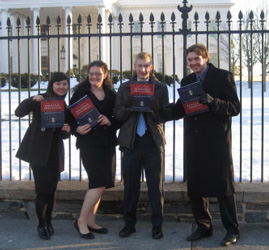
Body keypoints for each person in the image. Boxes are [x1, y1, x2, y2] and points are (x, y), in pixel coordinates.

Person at [163, 44, 241, 246]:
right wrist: (157, 112)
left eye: (196, 59)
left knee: (223, 186)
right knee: (196, 186)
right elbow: (181, 108)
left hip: (217, 140)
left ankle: (232, 229)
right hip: (195, 139)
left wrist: (213, 101)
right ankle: (204, 227)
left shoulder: (223, 77)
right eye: (189, 60)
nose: (193, 63)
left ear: (205, 58)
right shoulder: (187, 80)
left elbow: (235, 107)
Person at [114, 52, 169, 240]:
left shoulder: (161, 88)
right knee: (130, 187)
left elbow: (164, 117)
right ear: (135, 67)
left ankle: (157, 225)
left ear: (151, 67)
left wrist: (156, 109)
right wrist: (127, 106)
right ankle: (129, 224)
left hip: (152, 142)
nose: (143, 69)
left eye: (146, 66)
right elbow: (118, 117)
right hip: (131, 142)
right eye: (139, 66)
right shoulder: (125, 87)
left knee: (156, 186)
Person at [15, 72, 71, 240]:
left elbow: (64, 133)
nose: (61, 87)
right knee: (42, 190)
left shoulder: (64, 105)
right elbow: (19, 112)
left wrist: (67, 131)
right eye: (58, 84)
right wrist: (33, 99)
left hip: (54, 152)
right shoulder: (41, 100)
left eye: (64, 84)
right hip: (38, 151)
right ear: (52, 85)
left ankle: (48, 220)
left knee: (52, 189)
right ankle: (41, 224)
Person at [68, 61, 119, 240]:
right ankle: (81, 220)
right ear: (87, 75)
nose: (94, 77)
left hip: (107, 143)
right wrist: (76, 130)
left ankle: (91, 220)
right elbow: (69, 118)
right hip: (89, 143)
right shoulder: (80, 94)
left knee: (101, 184)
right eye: (91, 74)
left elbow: (119, 117)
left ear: (105, 74)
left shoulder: (112, 95)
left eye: (98, 73)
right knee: (98, 183)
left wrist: (110, 121)